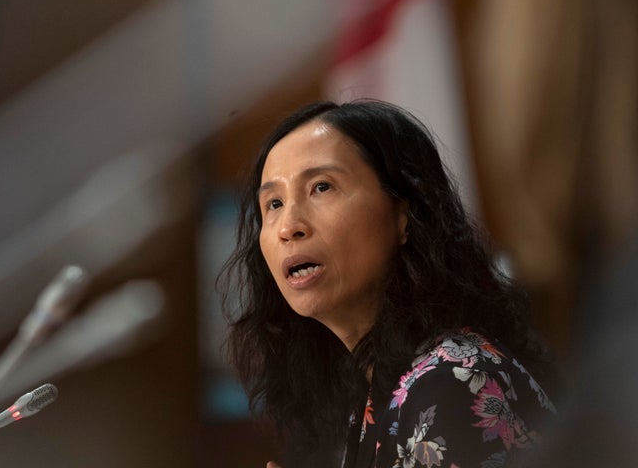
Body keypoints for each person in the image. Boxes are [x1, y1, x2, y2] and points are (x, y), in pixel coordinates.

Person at [219, 100, 556, 468]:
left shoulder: (451, 383)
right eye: (274, 203)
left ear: (404, 215)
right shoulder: (376, 387)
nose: (288, 227)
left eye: (321, 187)